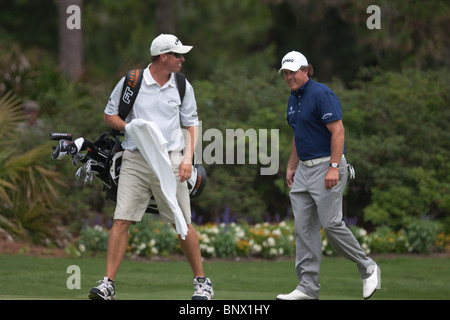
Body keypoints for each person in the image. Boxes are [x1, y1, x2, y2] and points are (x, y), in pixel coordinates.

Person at [89, 34, 213, 300]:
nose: (182, 59)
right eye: (177, 55)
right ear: (164, 57)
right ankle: (108, 283)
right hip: (135, 158)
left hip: (171, 160)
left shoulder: (182, 84)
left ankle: (202, 282)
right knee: (122, 219)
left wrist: (188, 159)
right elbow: (110, 115)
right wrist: (128, 127)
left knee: (182, 222)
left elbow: (191, 123)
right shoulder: (131, 82)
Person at [276, 51, 380, 300]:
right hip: (304, 170)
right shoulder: (293, 97)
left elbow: (338, 132)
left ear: (306, 70)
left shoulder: (321, 94)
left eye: (293, 72)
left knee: (331, 224)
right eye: (286, 73)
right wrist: (291, 166)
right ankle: (308, 287)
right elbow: (298, 134)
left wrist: (334, 166)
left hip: (327, 166)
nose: (289, 77)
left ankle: (367, 266)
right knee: (304, 229)